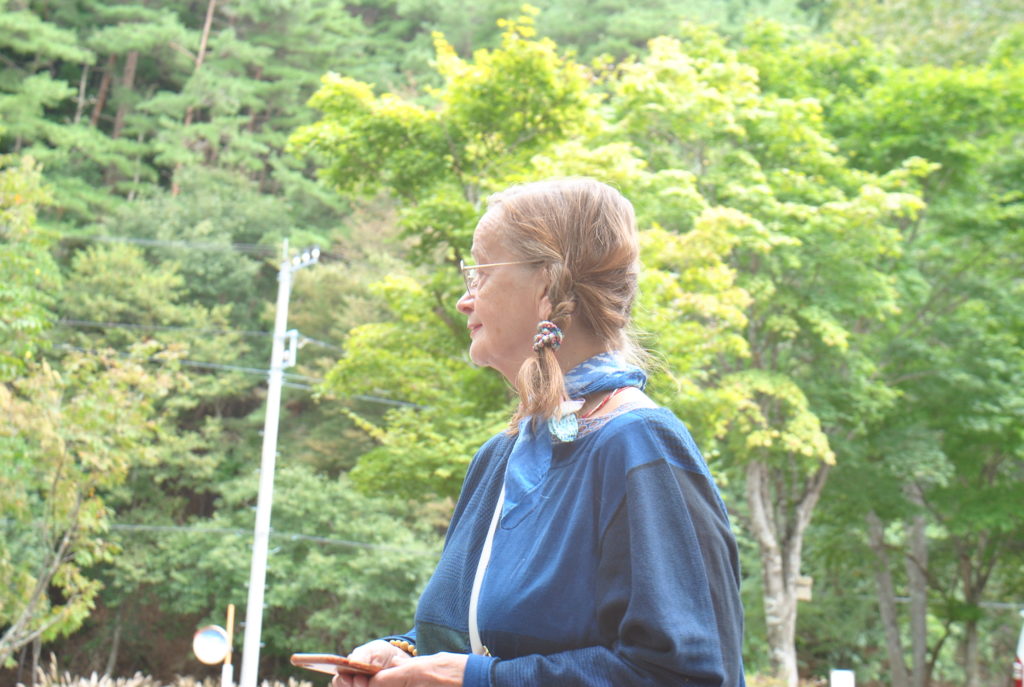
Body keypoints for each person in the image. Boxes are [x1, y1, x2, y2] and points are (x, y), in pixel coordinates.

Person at [334, 178, 746, 687]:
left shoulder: (639, 446)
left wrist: (476, 681)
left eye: (480, 273)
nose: (464, 300)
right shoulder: (499, 458)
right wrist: (403, 655)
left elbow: (684, 675)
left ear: (548, 286)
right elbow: (481, 642)